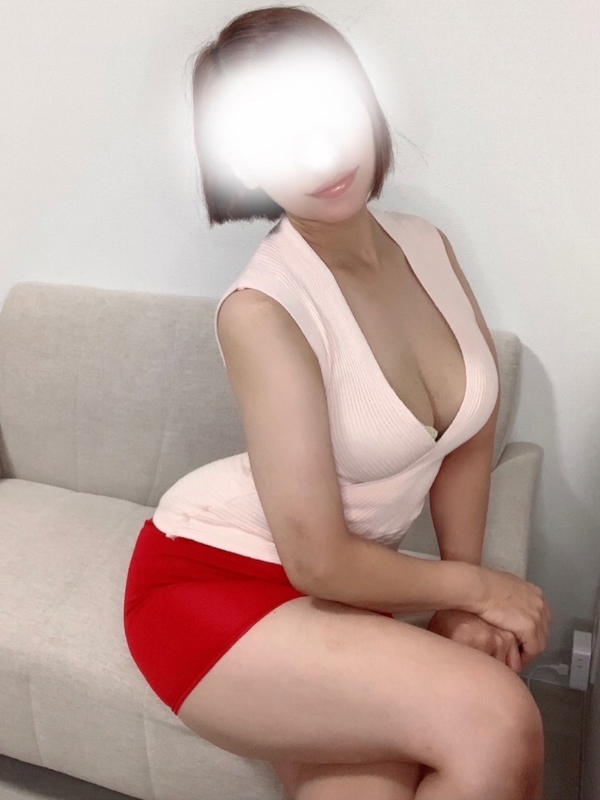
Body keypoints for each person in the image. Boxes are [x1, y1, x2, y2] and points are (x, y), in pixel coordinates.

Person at [123, 6, 551, 799]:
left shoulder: (427, 244)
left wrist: (461, 590)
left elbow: (468, 435)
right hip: (217, 581)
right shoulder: (262, 309)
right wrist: (476, 590)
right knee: (497, 717)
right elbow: (314, 559)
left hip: (352, 589)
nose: (317, 152)